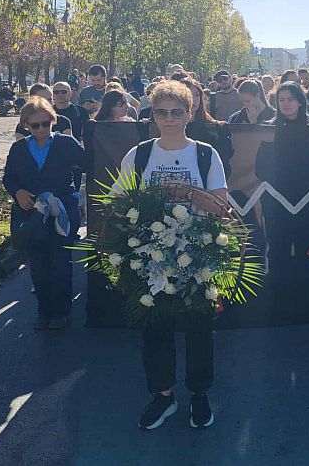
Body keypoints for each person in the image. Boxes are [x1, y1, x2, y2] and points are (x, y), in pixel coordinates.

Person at [114, 81, 227, 431]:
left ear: (190, 113)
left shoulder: (205, 154)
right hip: (149, 256)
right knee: (155, 330)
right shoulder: (140, 155)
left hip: (196, 256)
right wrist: (143, 205)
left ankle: (199, 395)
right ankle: (163, 395)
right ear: (152, 114)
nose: (169, 118)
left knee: (197, 330)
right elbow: (118, 204)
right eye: (162, 112)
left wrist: (188, 194)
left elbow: (221, 207)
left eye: (177, 112)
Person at [2, 97, 85, 331]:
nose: (40, 129)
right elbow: (9, 178)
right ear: (25, 125)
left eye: (45, 124)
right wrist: (17, 192)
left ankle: (61, 312)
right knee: (38, 265)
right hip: (31, 214)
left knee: (60, 264)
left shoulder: (66, 144)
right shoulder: (19, 149)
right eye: (34, 125)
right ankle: (44, 310)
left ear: (53, 121)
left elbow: (89, 163)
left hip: (62, 212)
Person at [257, 82, 309, 320]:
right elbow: (260, 168)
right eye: (281, 99)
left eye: (290, 99)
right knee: (277, 251)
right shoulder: (267, 129)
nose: (285, 103)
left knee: (307, 252)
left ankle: (306, 301)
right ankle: (278, 304)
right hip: (276, 202)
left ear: (300, 101)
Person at [178, 76, 234, 177]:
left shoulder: (217, 128)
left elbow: (224, 163)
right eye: (189, 95)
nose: (194, 99)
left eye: (196, 95)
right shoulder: (170, 128)